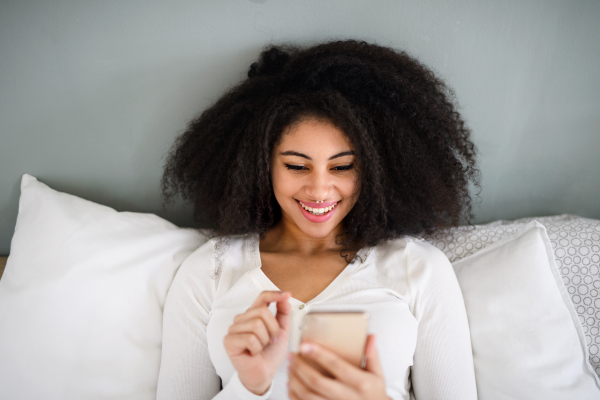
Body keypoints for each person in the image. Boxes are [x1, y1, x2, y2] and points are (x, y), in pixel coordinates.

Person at [157, 40, 479, 400]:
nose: (320, 189)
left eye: (342, 167)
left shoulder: (418, 268)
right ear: (262, 166)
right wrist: (249, 387)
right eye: (296, 166)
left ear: (372, 169)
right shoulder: (209, 272)